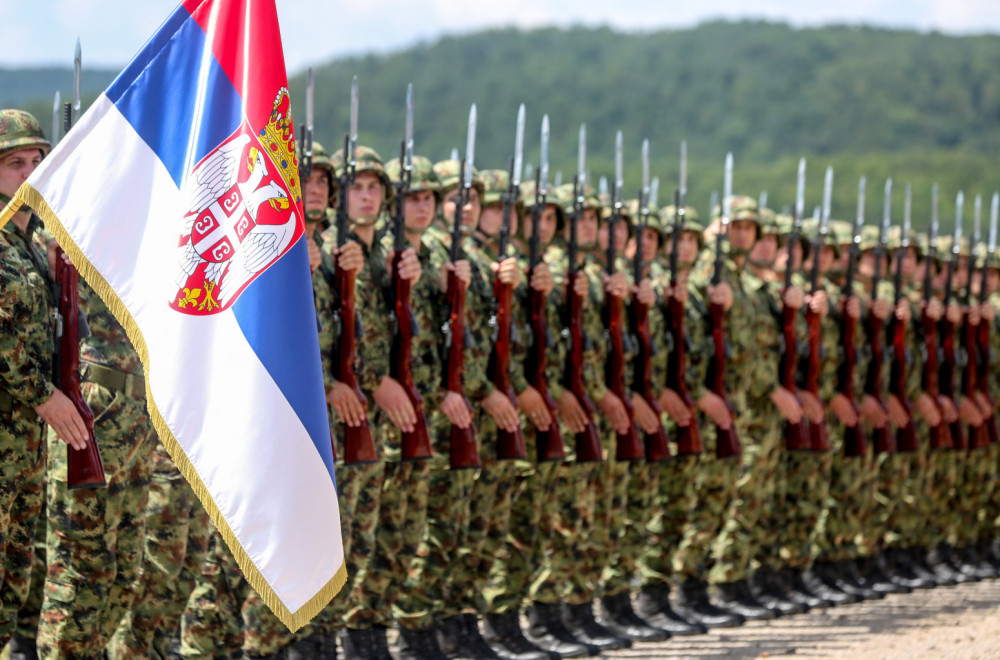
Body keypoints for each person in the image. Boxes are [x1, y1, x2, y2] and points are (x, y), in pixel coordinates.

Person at [0, 108, 87, 651]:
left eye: (37, 161)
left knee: (13, 580)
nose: (30, 173)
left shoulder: (29, 243)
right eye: (15, 163)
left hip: (23, 449)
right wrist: (43, 395)